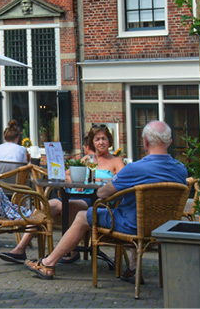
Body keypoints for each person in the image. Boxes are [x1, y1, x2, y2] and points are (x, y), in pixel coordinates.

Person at [24, 120, 188, 280]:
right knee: (135, 210)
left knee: (83, 216)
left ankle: (48, 263)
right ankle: (132, 269)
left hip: (132, 226)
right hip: (166, 226)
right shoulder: (181, 170)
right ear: (170, 141)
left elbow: (103, 194)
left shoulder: (134, 169)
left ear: (145, 141)